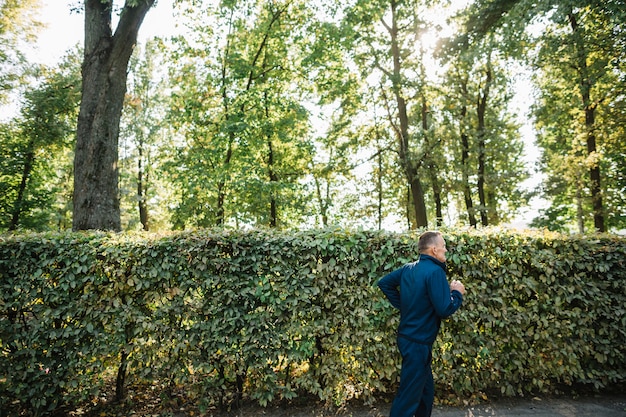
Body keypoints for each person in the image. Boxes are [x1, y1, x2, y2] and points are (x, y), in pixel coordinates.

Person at [377, 231, 466, 417]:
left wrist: (406, 306)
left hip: (411, 340)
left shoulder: (409, 268)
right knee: (408, 398)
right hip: (417, 343)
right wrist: (457, 293)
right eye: (443, 245)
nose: (446, 249)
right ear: (434, 250)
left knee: (425, 395)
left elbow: (384, 283)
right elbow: (445, 309)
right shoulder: (435, 272)